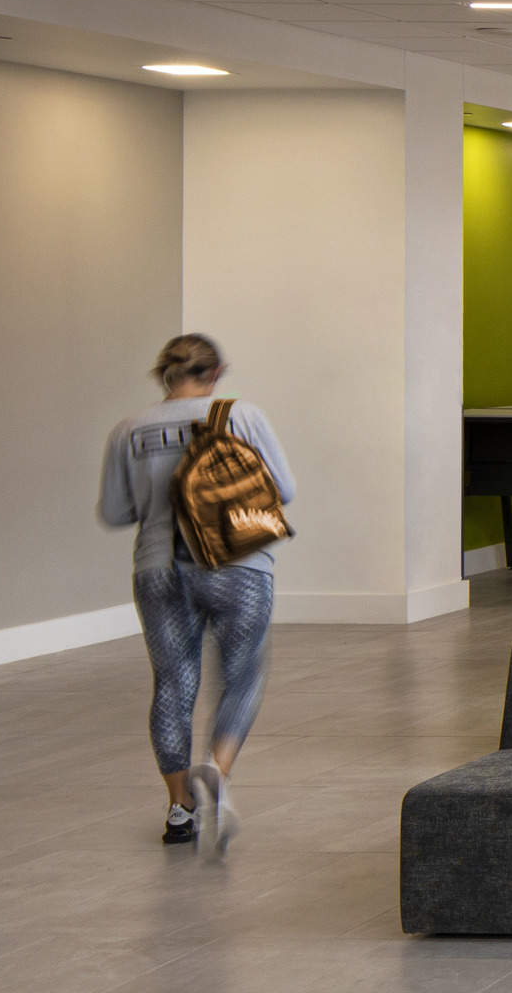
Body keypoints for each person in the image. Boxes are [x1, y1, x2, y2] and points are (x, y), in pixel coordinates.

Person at [97, 334, 294, 857]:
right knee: (243, 674)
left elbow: (115, 513)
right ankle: (218, 767)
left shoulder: (128, 428)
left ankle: (179, 808)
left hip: (158, 569)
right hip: (237, 566)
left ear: (164, 373)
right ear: (217, 371)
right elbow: (285, 490)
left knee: (172, 684)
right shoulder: (242, 415)